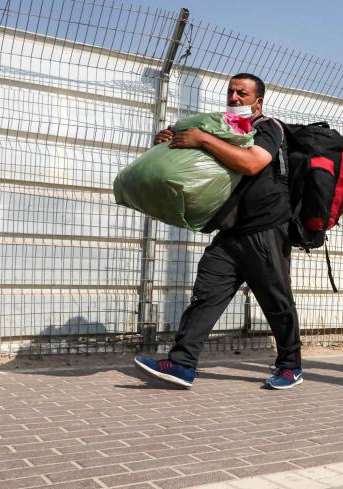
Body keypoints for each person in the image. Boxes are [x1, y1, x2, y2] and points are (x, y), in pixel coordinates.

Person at [133, 73, 303, 390]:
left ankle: (291, 365)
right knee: (206, 295)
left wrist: (203, 140)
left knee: (275, 300)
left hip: (265, 229)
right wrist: (172, 142)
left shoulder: (269, 127)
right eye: (231, 92)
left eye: (243, 93)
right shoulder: (223, 129)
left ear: (259, 101)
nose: (235, 98)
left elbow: (253, 163)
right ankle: (182, 364)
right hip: (231, 230)